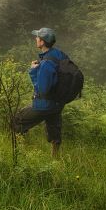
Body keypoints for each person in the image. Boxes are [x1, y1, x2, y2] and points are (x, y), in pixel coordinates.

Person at [13, 27, 68, 158]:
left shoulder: (46, 64)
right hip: (58, 103)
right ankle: (55, 159)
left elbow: (43, 89)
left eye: (37, 37)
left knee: (17, 120)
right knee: (54, 128)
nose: (36, 39)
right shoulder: (59, 55)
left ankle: (20, 154)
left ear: (42, 42)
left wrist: (33, 71)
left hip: (45, 104)